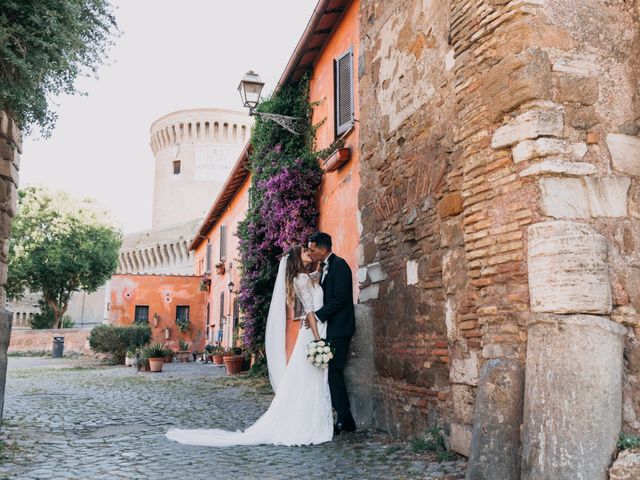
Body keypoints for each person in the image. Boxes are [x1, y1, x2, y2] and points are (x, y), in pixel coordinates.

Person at [165, 245, 332, 446]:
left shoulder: (303, 277)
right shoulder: (302, 279)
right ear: (298, 258)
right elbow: (311, 311)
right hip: (314, 330)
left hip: (314, 328)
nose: (309, 252)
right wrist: (318, 339)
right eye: (305, 251)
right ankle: (308, 422)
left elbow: (315, 279)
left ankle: (307, 418)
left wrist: (322, 267)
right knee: (309, 376)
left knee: (306, 376)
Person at [306, 232, 356, 434]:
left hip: (340, 328)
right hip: (330, 328)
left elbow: (341, 299)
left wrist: (317, 316)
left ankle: (346, 420)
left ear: (323, 249)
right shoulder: (325, 267)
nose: (310, 252)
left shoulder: (340, 265)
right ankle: (341, 418)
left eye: (312, 249)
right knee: (331, 373)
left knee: (334, 372)